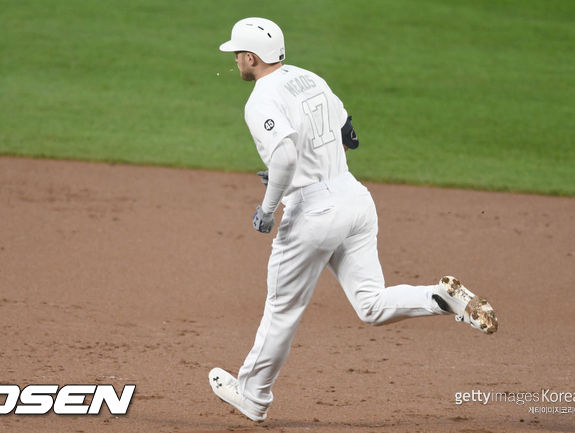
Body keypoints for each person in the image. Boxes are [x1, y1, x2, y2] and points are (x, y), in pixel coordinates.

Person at [209, 17, 498, 422]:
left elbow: (287, 156)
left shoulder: (260, 99)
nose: (236, 59)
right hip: (355, 200)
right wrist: (298, 173)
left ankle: (253, 396)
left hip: (314, 215)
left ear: (251, 57)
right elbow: (349, 135)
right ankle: (442, 298)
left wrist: (269, 205)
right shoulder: (310, 78)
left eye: (238, 53)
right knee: (371, 305)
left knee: (282, 309)